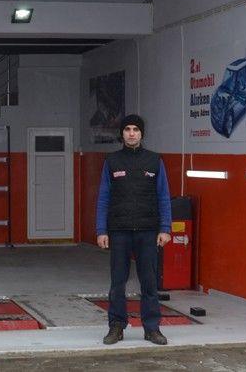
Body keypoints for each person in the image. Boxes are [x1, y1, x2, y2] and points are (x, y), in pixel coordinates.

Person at [96, 114, 172, 346]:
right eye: (127, 129)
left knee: (149, 282)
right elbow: (103, 198)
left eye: (136, 130)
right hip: (119, 231)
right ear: (122, 133)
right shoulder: (112, 161)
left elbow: (163, 196)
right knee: (118, 283)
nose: (131, 133)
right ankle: (116, 326)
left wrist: (165, 228)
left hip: (148, 231)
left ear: (142, 134)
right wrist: (101, 230)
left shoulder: (154, 161)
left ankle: (152, 328)